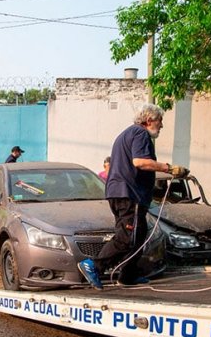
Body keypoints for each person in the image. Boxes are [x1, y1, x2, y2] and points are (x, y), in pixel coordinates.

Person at [77, 104, 189, 289]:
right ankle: (93, 265)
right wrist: (169, 168)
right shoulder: (140, 134)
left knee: (139, 235)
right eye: (160, 121)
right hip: (129, 194)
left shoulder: (127, 134)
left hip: (120, 192)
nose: (162, 126)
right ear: (149, 120)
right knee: (128, 236)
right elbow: (140, 162)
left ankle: (128, 275)